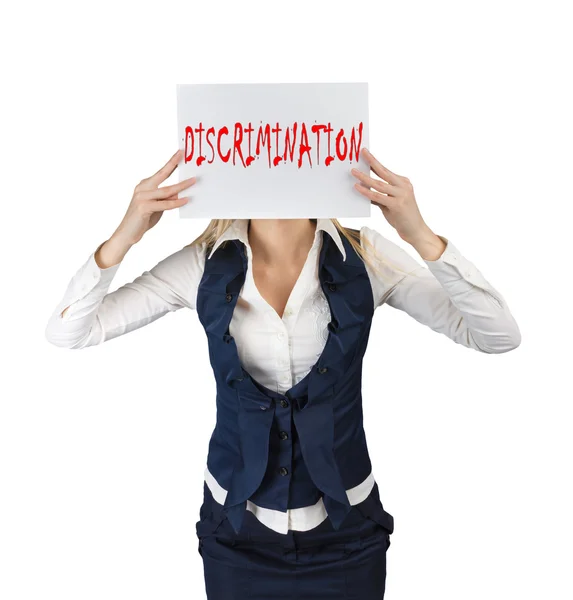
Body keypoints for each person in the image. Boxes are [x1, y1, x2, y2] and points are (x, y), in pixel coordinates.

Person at [45, 147, 521, 599]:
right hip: (236, 533)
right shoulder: (201, 265)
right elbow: (71, 332)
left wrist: (420, 234)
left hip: (348, 533)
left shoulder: (367, 258)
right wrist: (126, 234)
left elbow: (497, 335)